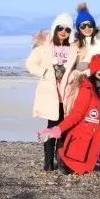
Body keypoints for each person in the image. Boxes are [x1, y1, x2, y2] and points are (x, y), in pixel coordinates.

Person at [37, 54, 100, 174]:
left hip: (99, 133)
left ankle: (98, 153)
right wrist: (55, 130)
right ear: (94, 74)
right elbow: (76, 114)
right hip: (86, 135)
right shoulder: (88, 89)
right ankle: (65, 157)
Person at [25, 13, 81, 171]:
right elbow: (30, 64)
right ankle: (48, 162)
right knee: (52, 125)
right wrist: (45, 73)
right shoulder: (45, 46)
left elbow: (79, 68)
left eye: (67, 29)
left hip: (67, 93)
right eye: (60, 28)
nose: (63, 32)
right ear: (55, 28)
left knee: (64, 126)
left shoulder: (74, 48)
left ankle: (61, 160)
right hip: (51, 93)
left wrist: (74, 76)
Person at [74, 3, 100, 70]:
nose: (87, 28)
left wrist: (89, 66)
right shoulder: (75, 43)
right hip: (80, 74)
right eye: (83, 26)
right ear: (78, 28)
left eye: (89, 25)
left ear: (93, 26)